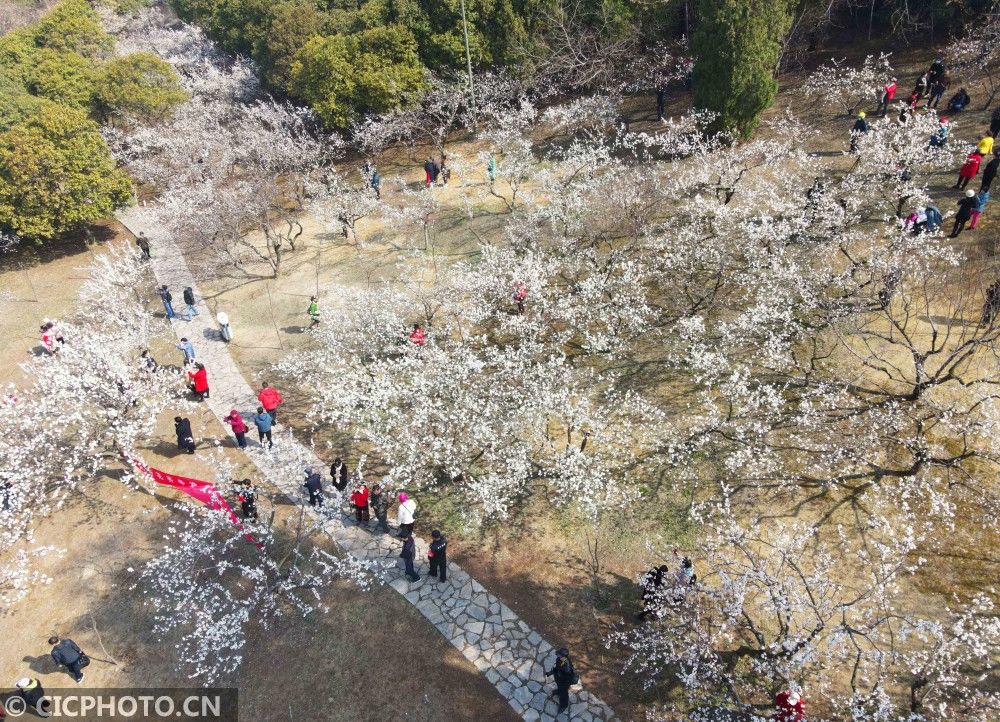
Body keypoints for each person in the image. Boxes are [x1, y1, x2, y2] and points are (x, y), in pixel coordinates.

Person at [545, 647, 577, 714]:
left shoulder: (567, 668)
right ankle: (559, 691)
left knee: (564, 695)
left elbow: (567, 678)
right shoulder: (559, 659)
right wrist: (550, 673)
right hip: (559, 679)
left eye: (560, 656)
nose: (558, 656)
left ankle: (563, 706)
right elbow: (556, 667)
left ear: (564, 657)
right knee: (560, 689)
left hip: (564, 682)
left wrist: (563, 686)